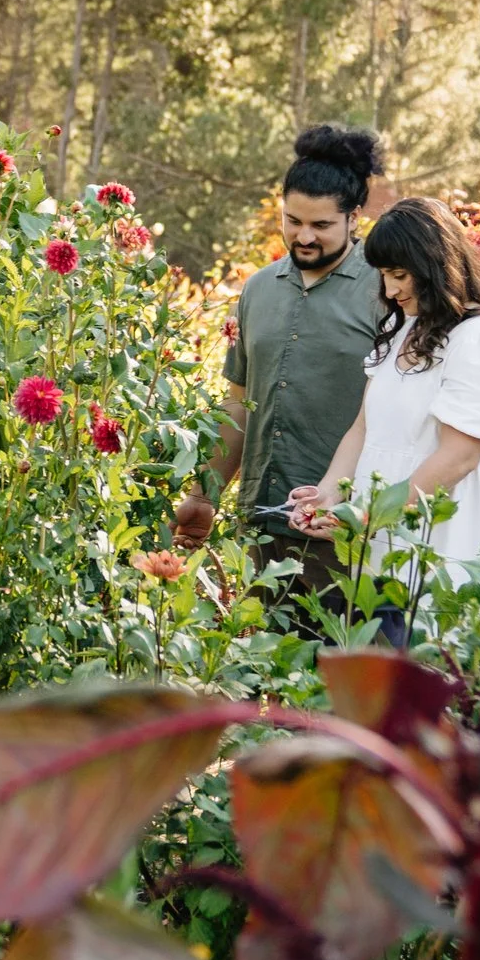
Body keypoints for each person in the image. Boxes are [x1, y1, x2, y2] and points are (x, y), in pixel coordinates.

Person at [173, 125, 394, 633]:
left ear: (354, 218)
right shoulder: (258, 290)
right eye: (292, 221)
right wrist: (205, 493)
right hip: (264, 524)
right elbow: (238, 405)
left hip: (346, 530)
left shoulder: (385, 292)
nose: (304, 236)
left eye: (321, 224)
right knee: (266, 682)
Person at [287, 197, 480, 613]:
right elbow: (364, 429)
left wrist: (365, 515)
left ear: (437, 266)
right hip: (385, 541)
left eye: (400, 275)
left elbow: (459, 458)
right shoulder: (399, 329)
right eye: (384, 275)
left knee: (443, 663)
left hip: (449, 546)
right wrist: (328, 496)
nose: (390, 289)